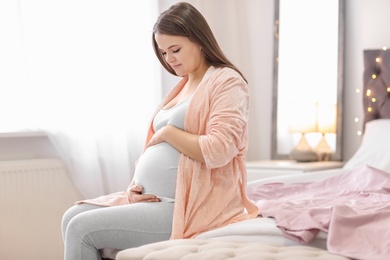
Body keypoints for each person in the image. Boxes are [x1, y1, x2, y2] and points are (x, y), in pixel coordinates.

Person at [61, 2, 259, 259]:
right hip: (157, 201)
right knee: (71, 216)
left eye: (175, 49)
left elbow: (220, 150)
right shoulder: (182, 86)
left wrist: (167, 133)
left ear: (199, 40)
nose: (169, 59)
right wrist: (136, 186)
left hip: (186, 207)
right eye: (164, 53)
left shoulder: (226, 81)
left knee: (81, 228)